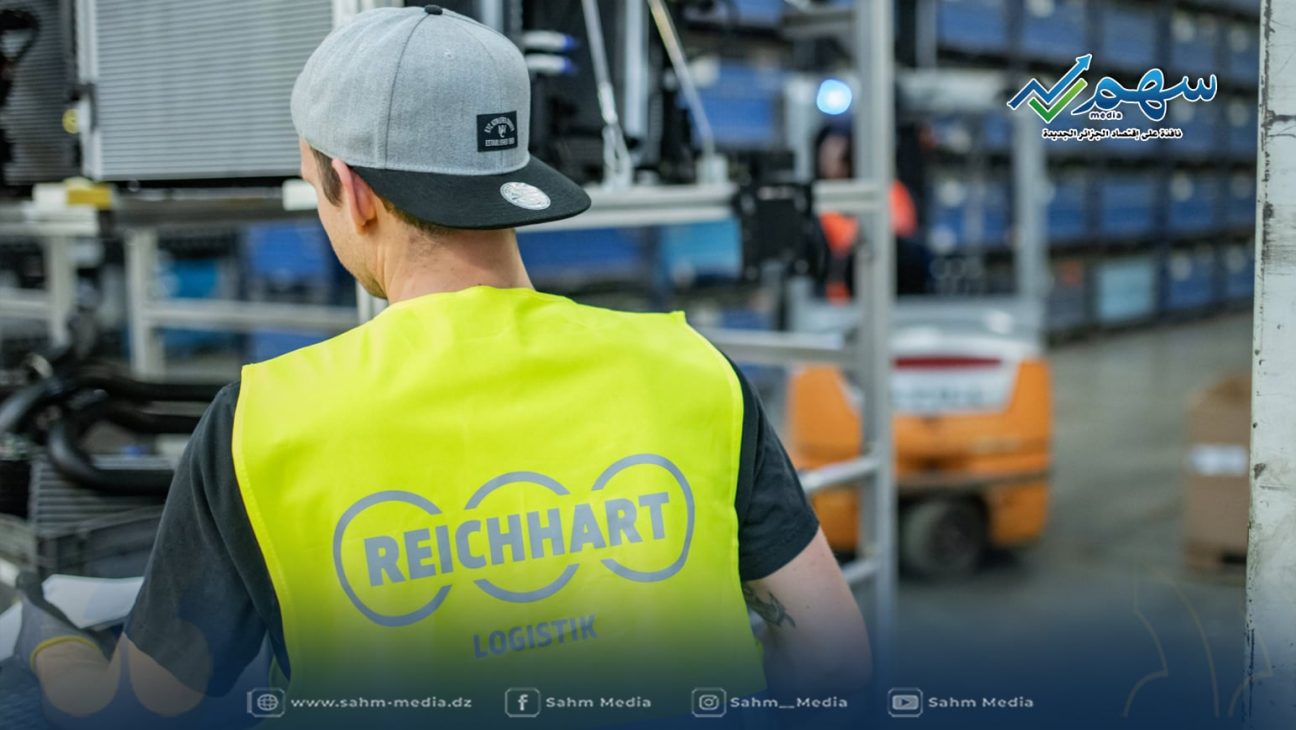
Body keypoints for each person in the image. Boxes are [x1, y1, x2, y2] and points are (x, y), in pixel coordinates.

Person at [16, 6, 869, 728]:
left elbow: (137, 711)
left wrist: (50, 641)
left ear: (352, 191)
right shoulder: (690, 368)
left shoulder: (262, 424)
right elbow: (833, 661)